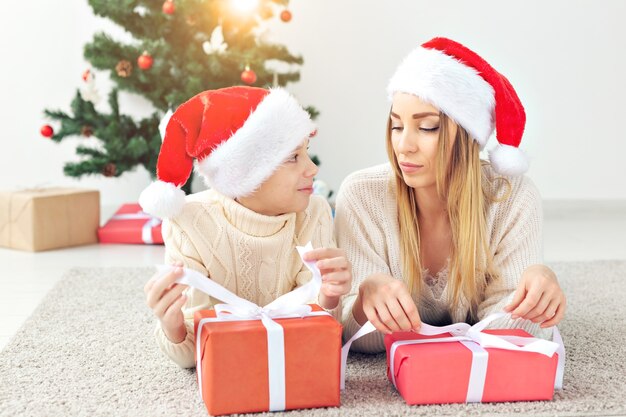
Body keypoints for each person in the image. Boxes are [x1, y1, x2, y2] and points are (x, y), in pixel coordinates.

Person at [335, 37, 566, 353]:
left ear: (468, 137)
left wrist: (534, 296)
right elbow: (362, 340)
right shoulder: (361, 195)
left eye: (427, 127)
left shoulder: (512, 196)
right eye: (396, 126)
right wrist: (364, 303)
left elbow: (512, 336)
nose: (404, 145)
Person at [139, 86, 352, 367]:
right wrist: (174, 327)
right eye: (293, 157)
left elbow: (318, 337)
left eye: (306, 152)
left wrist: (329, 298)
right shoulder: (189, 223)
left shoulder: (315, 213)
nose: (312, 168)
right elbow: (194, 356)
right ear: (246, 175)